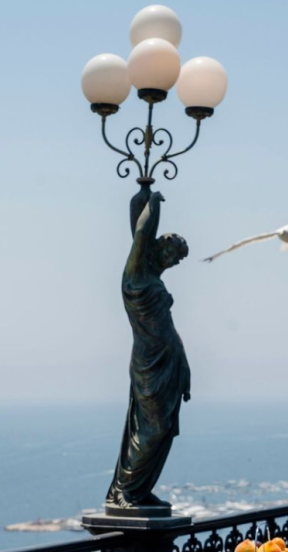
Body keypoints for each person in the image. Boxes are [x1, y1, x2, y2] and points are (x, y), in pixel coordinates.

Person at [106, 190, 191, 511]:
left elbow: (168, 327)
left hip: (169, 361)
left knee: (163, 427)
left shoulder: (152, 278)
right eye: (169, 252)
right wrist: (151, 200)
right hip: (149, 364)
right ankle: (126, 490)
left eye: (176, 259)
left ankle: (141, 489)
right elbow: (140, 232)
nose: (171, 261)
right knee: (151, 430)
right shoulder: (135, 275)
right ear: (156, 247)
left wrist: (185, 364)